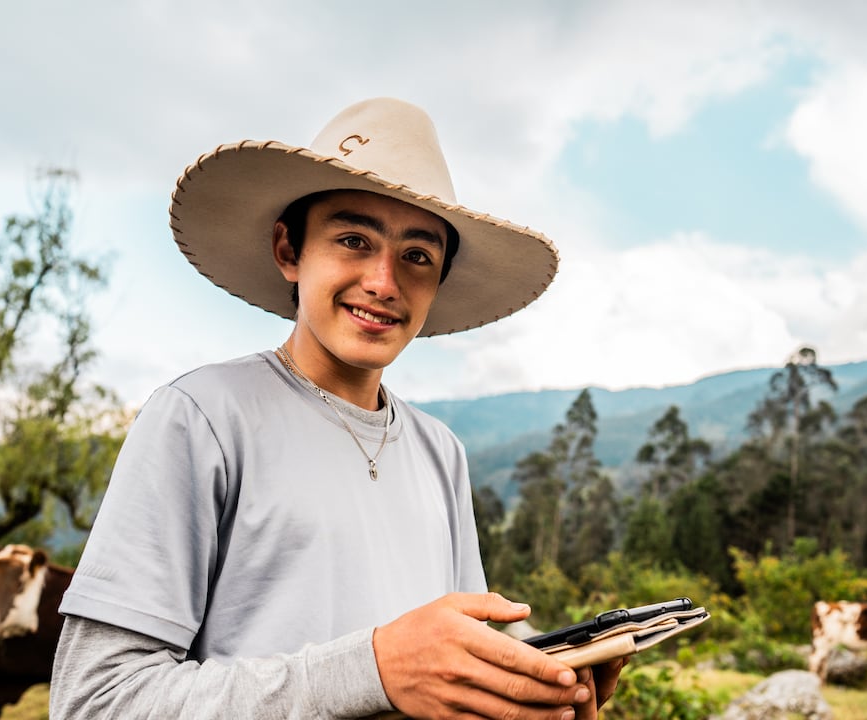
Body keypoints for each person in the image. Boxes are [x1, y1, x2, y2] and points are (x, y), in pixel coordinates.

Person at [50, 98, 625, 719]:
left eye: (417, 256)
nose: (384, 281)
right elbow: (95, 700)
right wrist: (371, 669)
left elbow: (448, 680)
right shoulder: (203, 418)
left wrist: (530, 694)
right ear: (289, 251)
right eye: (354, 240)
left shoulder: (440, 453)